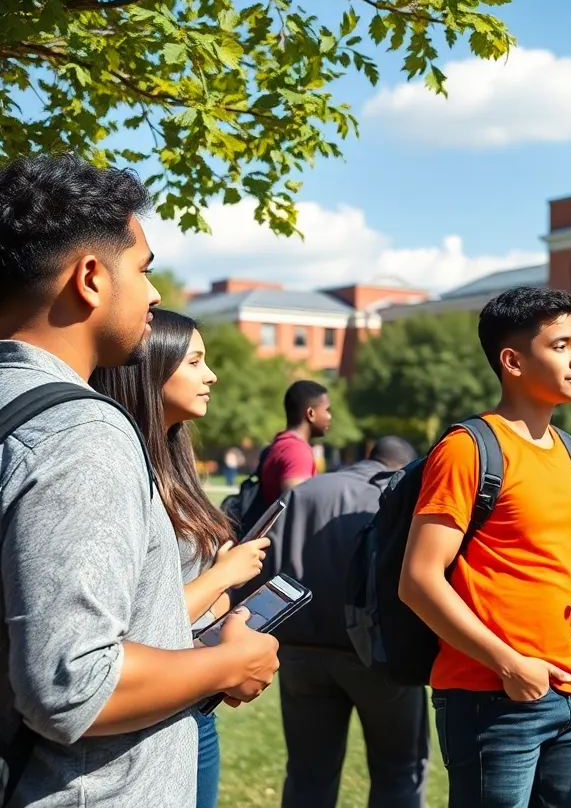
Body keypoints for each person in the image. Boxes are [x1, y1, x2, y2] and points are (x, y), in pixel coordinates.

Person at [0, 154, 278, 806]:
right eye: (144, 269)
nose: (155, 295)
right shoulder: (82, 433)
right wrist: (229, 662)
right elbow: (72, 685)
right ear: (91, 278)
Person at [398, 286, 571, 808]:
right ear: (513, 361)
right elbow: (419, 580)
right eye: (562, 345)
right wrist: (508, 663)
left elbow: (559, 550)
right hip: (492, 698)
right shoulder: (467, 449)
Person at [89, 309, 273, 808]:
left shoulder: (176, 466)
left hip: (194, 708)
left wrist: (229, 624)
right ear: (151, 372)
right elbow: (130, 630)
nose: (210, 374)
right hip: (135, 722)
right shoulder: (114, 473)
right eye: (194, 361)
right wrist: (221, 578)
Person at [266, 436, 430, 808]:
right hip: (379, 657)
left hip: (300, 654)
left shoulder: (304, 492)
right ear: (398, 466)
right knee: (399, 770)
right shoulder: (398, 496)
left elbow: (263, 562)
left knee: (308, 774)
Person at [260, 380, 332, 503]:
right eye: (327, 410)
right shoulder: (296, 451)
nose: (329, 416)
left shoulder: (282, 443)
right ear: (311, 413)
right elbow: (298, 508)